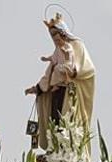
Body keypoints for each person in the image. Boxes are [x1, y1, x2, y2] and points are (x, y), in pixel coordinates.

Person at [26, 13, 96, 150]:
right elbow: (50, 72)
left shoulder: (77, 46)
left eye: (56, 36)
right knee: (55, 123)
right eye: (52, 37)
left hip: (71, 94)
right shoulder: (58, 50)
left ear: (63, 33)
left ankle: (67, 153)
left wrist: (74, 71)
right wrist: (38, 88)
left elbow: (88, 69)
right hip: (57, 93)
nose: (55, 40)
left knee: (68, 126)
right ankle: (54, 151)